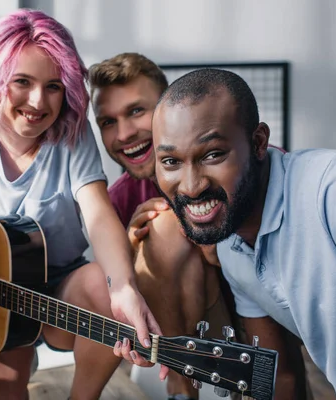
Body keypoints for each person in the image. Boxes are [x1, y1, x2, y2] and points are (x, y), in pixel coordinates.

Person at [0, 9, 164, 400]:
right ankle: (17, 360)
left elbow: (98, 213)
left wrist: (124, 289)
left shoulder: (71, 130)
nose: (38, 101)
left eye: (53, 86)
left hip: (60, 292)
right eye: (22, 82)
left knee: (107, 287)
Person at [119, 67, 336, 399]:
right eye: (171, 161)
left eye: (213, 154)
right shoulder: (233, 250)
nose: (191, 186)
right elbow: (280, 377)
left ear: (258, 142)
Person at [89, 53, 244, 400]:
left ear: (166, 109)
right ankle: (179, 383)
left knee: (164, 225)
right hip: (174, 342)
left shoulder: (236, 164)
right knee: (152, 229)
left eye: (135, 111)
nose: (125, 133)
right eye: (108, 122)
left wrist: (214, 250)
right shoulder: (117, 200)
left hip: (253, 324)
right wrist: (131, 250)